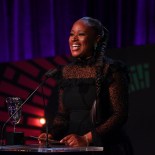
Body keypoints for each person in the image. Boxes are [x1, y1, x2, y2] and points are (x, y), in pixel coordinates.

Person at [39, 17, 132, 155]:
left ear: (97, 39)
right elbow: (62, 116)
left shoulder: (111, 70)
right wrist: (51, 135)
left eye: (81, 34)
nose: (74, 39)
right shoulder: (66, 72)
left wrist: (87, 138)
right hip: (74, 147)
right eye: (71, 34)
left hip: (105, 147)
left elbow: (120, 114)